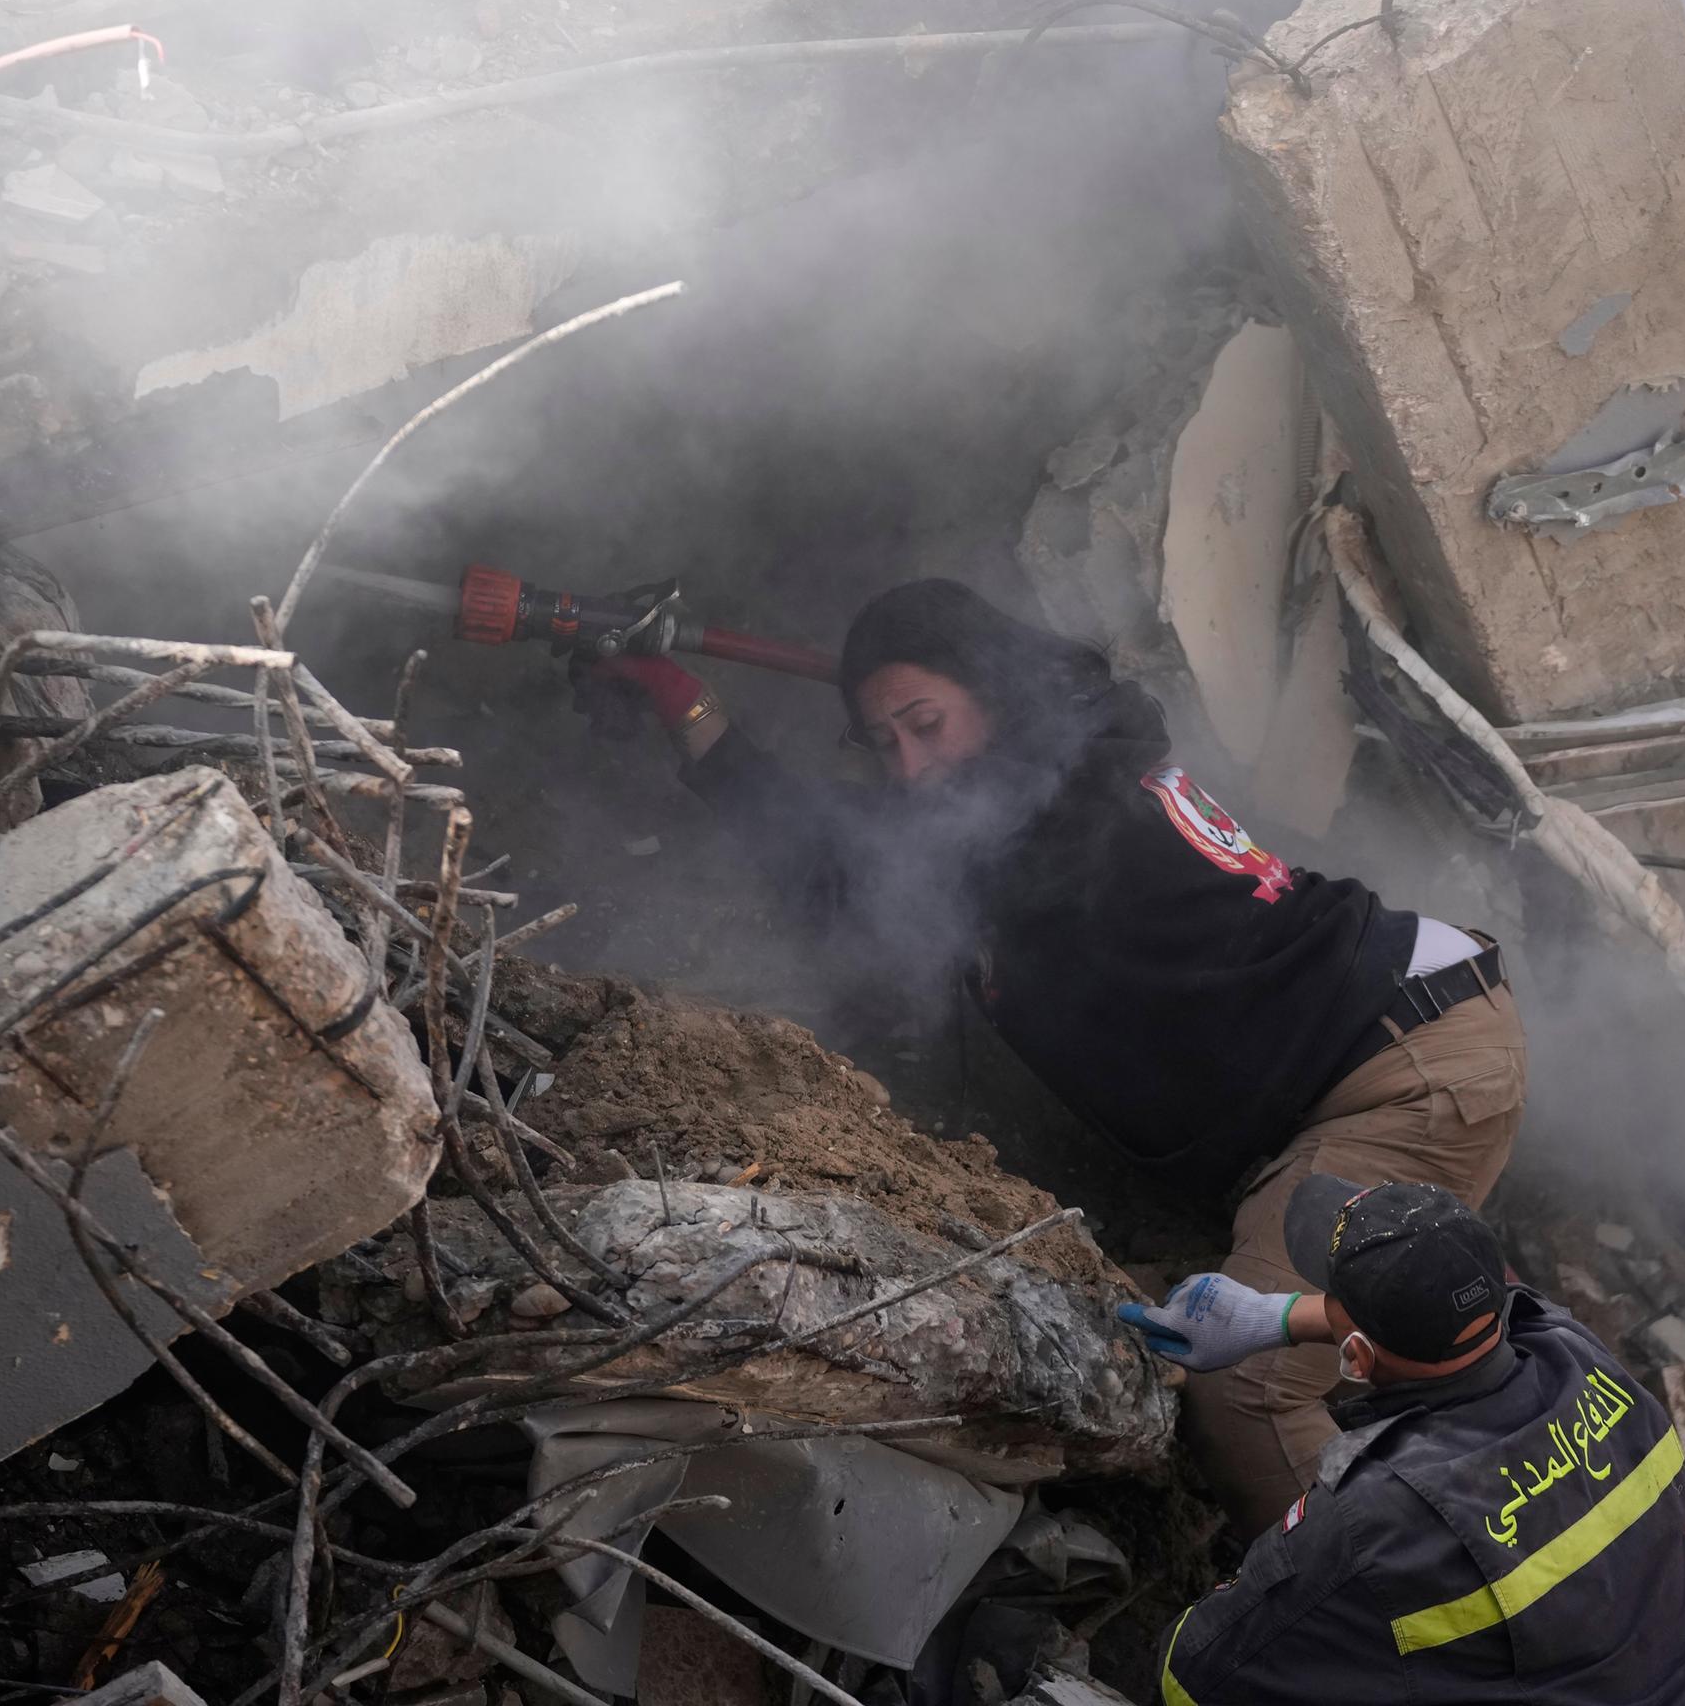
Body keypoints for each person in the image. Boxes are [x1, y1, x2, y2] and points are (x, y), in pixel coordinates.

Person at [583, 579, 1528, 1534]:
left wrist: (695, 714)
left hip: (1400, 1073)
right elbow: (857, 867)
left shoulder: (1073, 808)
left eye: (926, 725)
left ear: (995, 697)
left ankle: (1383, 1609)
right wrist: (687, 707)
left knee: (1248, 1394)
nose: (910, 768)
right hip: (1385, 1050)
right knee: (1299, 1339)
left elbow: (852, 867)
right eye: (884, 743)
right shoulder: (1066, 774)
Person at [1137, 1177, 1685, 1706]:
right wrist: (1274, 1317)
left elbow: (1191, 1676)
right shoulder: (1574, 1350)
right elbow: (1510, 1314)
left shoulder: (1381, 1518)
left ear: (1357, 1358)